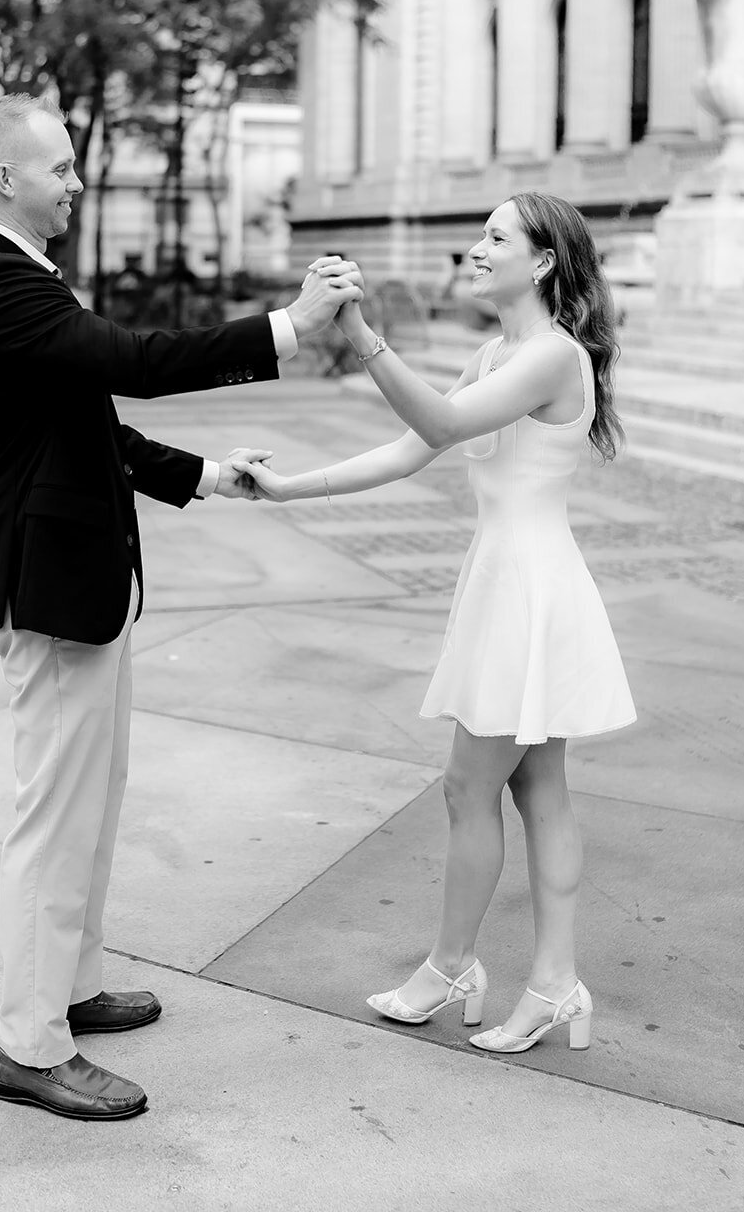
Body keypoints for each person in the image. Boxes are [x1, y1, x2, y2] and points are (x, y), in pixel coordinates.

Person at [0, 93, 362, 1121]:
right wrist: (286, 328)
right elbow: (134, 362)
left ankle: (71, 989)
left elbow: (95, 428)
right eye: (60, 168)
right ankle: (27, 1047)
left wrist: (212, 473)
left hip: (78, 584)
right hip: (48, 592)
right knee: (54, 819)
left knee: (95, 799)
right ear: (5, 178)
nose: (75, 182)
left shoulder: (26, 283)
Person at [237, 192, 636, 1056]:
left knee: (469, 787)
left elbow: (442, 422)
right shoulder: (499, 351)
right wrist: (291, 487)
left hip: (528, 587)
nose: (476, 247)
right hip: (511, 582)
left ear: (539, 263)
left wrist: (359, 332)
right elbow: (409, 450)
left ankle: (456, 967)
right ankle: (554, 986)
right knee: (536, 788)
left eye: (496, 237)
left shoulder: (550, 356)